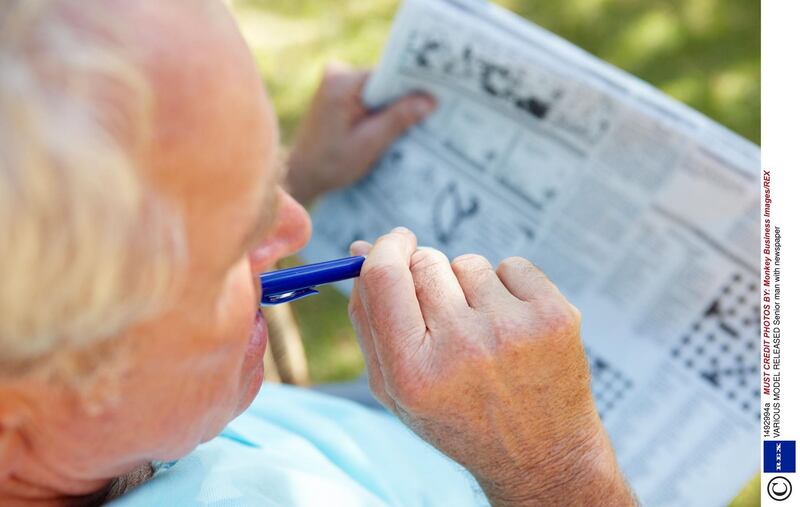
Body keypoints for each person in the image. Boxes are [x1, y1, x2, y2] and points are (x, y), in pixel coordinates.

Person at [0, 1, 636, 505]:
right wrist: (559, 469)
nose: (295, 227)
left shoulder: (105, 426)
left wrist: (290, 175)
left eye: (264, 181)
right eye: (229, 244)